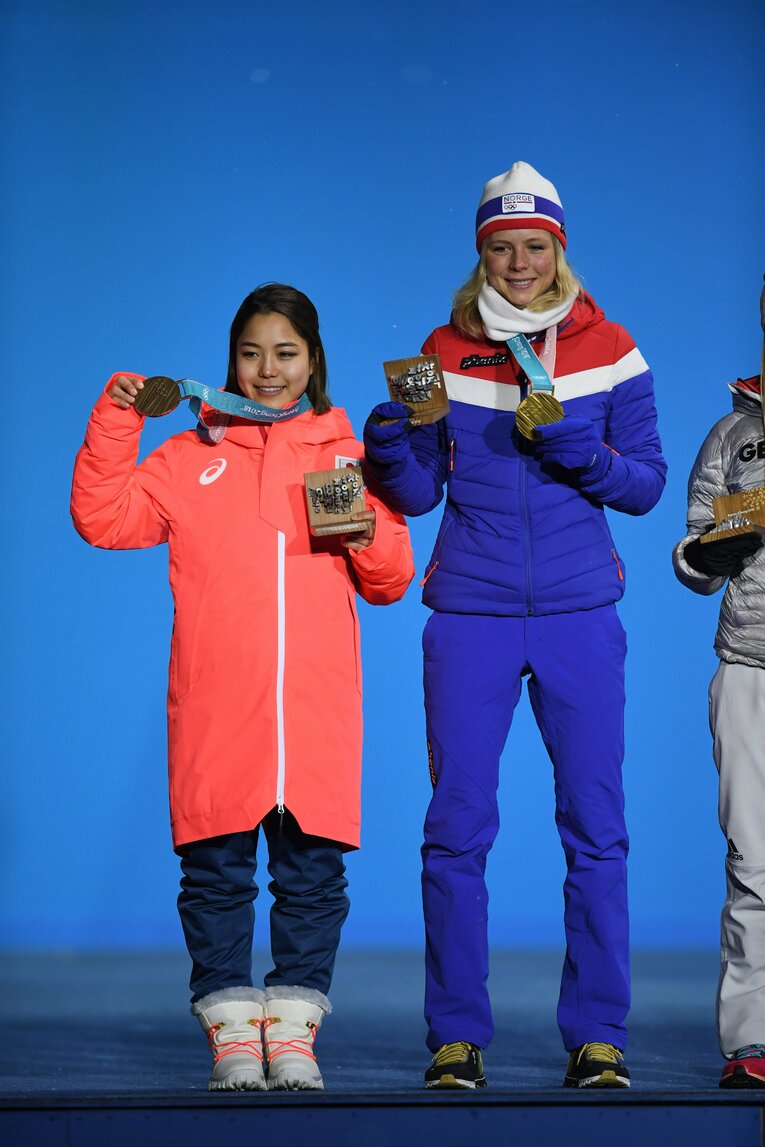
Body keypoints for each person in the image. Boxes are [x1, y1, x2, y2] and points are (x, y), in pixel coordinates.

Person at [363, 162, 666, 1090]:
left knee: (596, 828)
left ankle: (598, 1034)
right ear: (481, 252)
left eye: (535, 246)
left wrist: (580, 449)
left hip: (579, 613)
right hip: (471, 616)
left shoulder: (610, 348)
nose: (520, 262)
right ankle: (455, 1036)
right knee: (455, 829)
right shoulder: (442, 351)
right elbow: (417, 494)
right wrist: (387, 451)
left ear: (559, 248)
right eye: (502, 247)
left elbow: (647, 486)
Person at [71, 283, 414, 1092]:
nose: (266, 371)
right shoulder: (187, 459)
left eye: (285, 353)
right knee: (216, 875)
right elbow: (103, 516)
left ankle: (294, 1031)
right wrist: (121, 419)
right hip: (218, 708)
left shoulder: (346, 456)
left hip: (314, 710)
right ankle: (230, 1030)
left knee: (313, 877)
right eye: (251, 352)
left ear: (313, 360)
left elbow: (392, 578)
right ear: (230, 358)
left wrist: (366, 531)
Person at [672, 280, 765, 1089]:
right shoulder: (733, 433)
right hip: (750, 671)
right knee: (755, 861)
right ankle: (753, 1041)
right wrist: (716, 550)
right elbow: (692, 557)